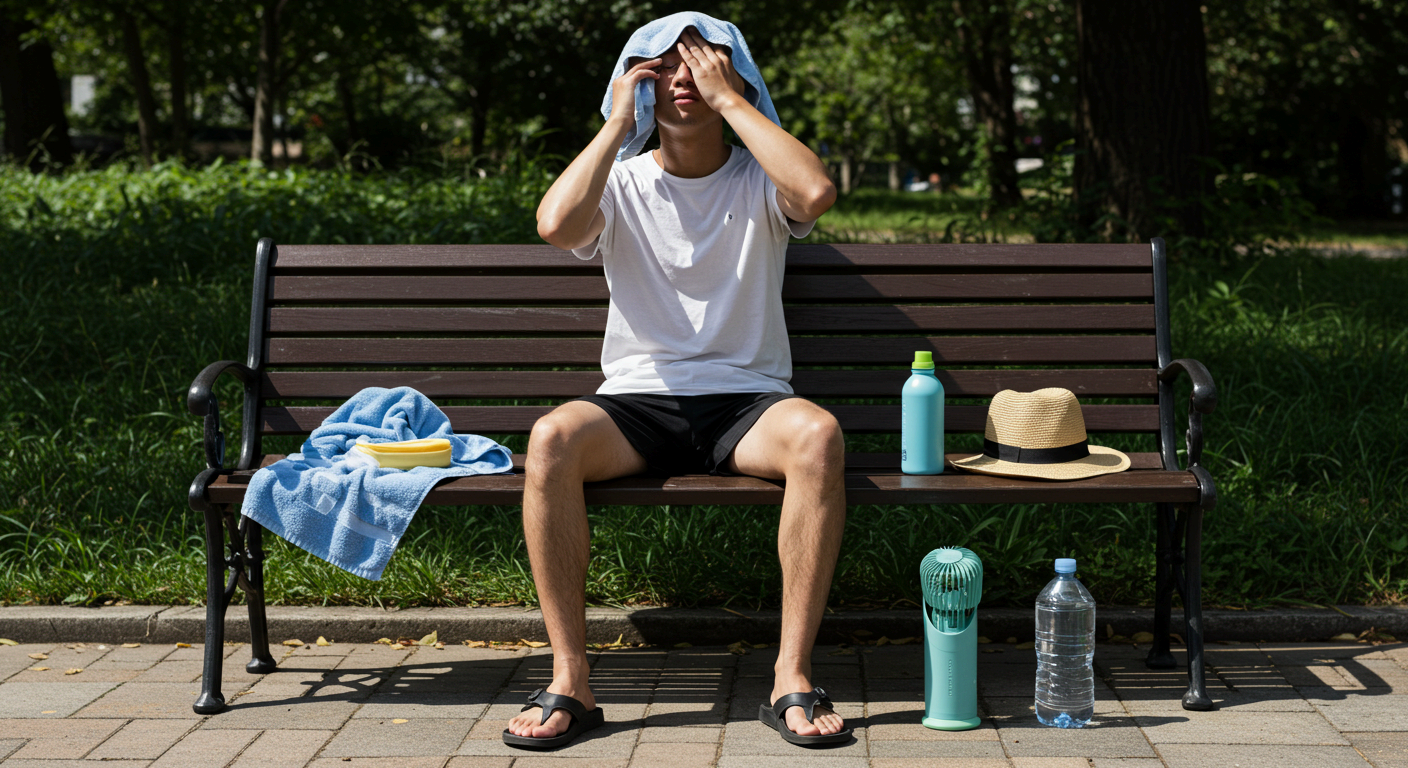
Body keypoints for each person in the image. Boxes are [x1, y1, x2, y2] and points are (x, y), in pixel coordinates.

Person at [502, 16, 851, 750]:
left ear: (738, 77)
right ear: (637, 84)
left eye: (702, 62)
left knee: (817, 436)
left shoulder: (762, 178)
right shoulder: (621, 182)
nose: (683, 77)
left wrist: (731, 102)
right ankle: (572, 677)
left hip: (748, 402)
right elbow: (555, 224)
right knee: (551, 439)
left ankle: (791, 673)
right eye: (662, 66)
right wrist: (615, 122)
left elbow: (815, 192)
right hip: (636, 402)